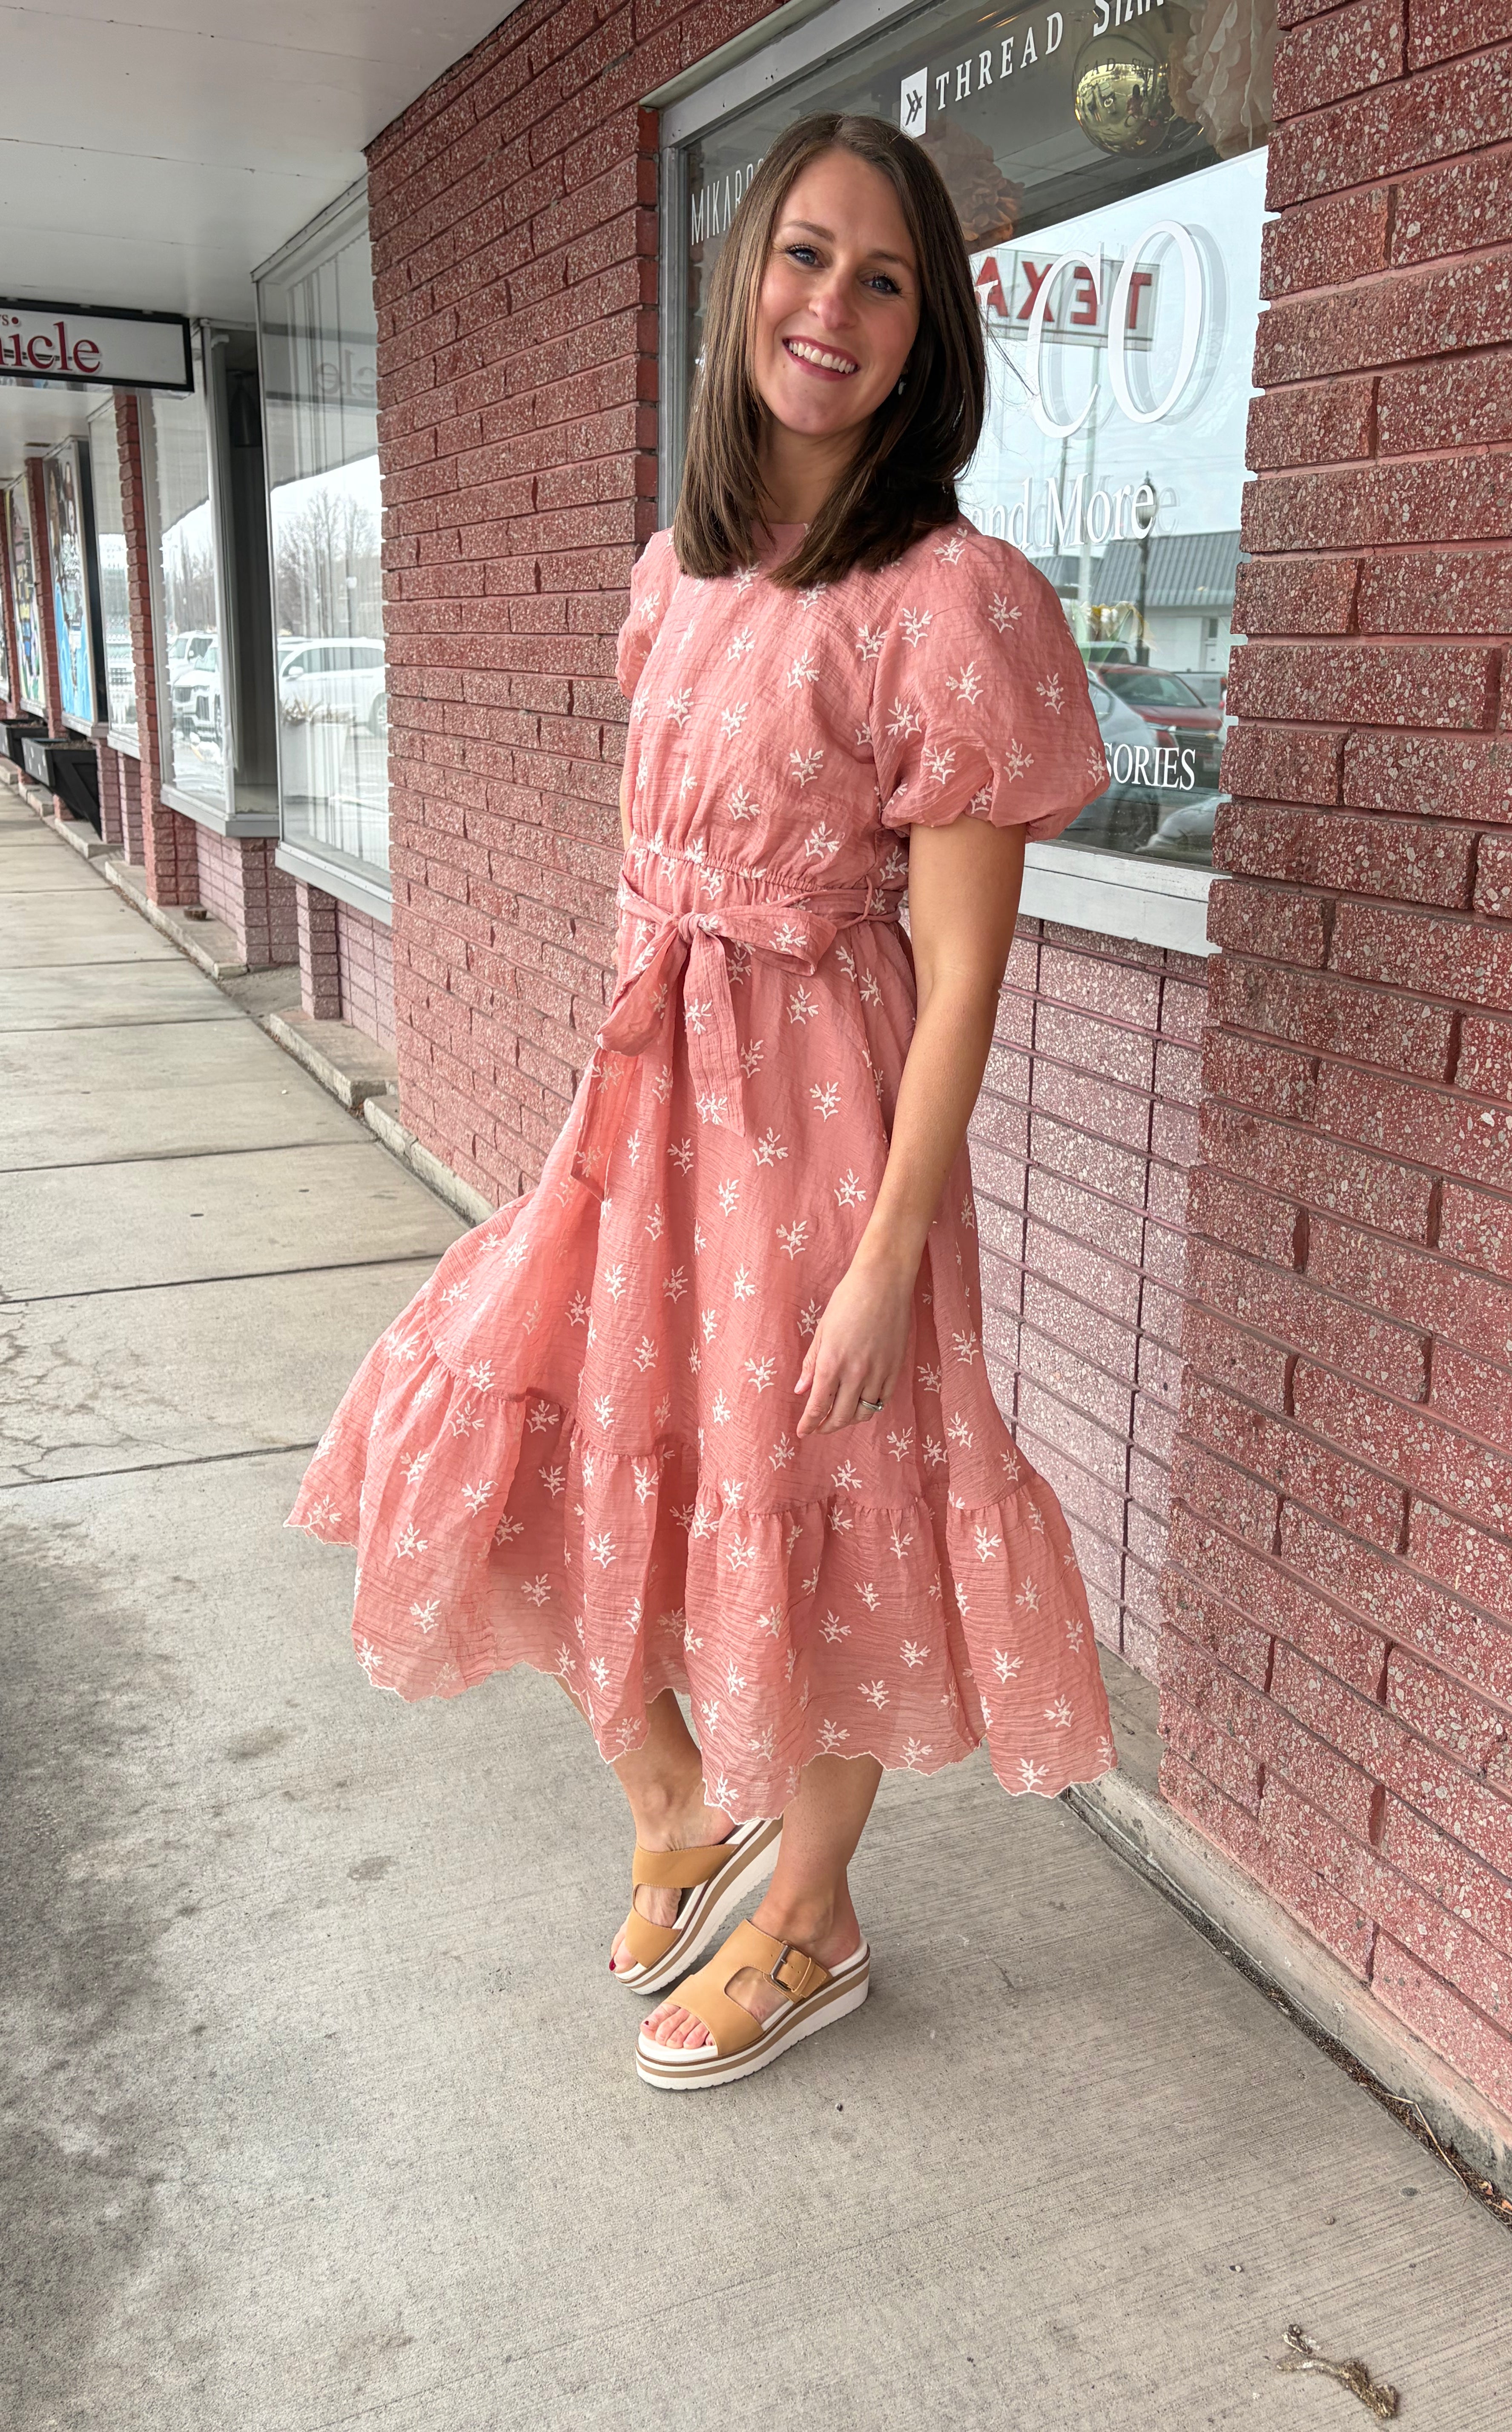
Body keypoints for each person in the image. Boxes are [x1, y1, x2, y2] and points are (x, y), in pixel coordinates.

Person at [290, 111, 1118, 2091]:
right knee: (531, 1418)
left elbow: (968, 968)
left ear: (928, 340)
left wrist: (892, 1256)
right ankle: (676, 1801)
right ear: (745, 280)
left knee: (835, 1500)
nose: (833, 307)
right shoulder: (682, 562)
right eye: (805, 257)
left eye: (885, 279)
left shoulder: (951, 595)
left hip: (833, 1137)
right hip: (650, 1094)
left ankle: (815, 1916)